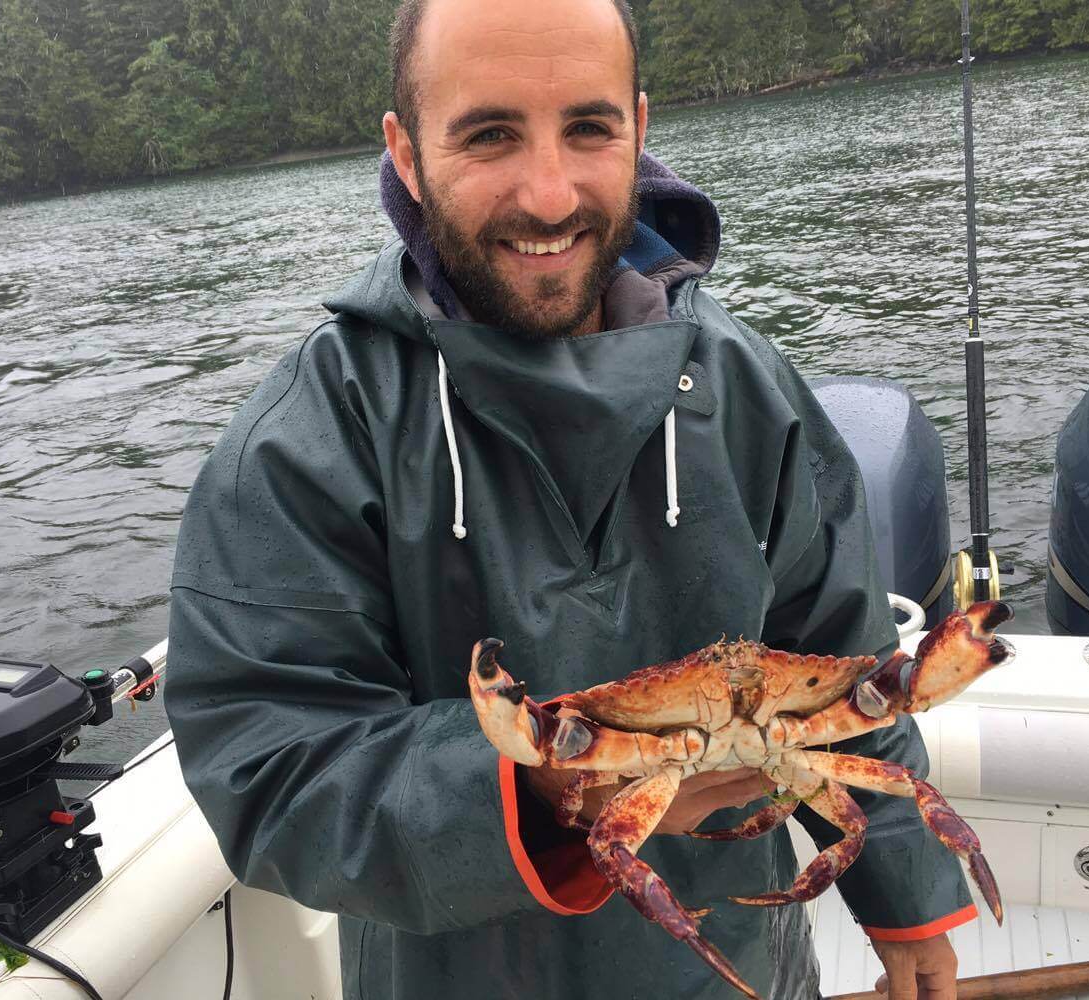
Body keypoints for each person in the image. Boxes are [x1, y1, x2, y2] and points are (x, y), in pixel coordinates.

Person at [165, 0, 979, 996]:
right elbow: (267, 772)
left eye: (587, 129)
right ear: (406, 152)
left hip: (741, 974)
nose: (548, 196)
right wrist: (547, 785)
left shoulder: (746, 391)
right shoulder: (306, 439)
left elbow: (850, 672)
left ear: (637, 129)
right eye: (489, 133)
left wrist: (910, 904)